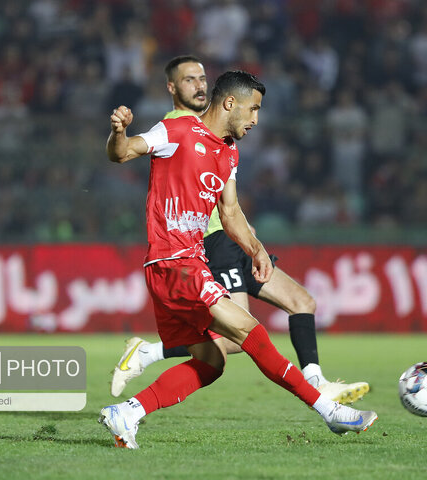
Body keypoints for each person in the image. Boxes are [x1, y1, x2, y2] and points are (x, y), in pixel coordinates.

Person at [99, 70, 377, 449]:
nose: (256, 120)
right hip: (174, 262)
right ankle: (329, 411)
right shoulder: (177, 131)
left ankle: (127, 412)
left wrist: (257, 249)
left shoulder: (229, 153)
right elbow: (123, 153)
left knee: (212, 362)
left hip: (184, 265)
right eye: (253, 109)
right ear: (230, 103)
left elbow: (229, 213)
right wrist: (119, 132)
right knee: (250, 332)